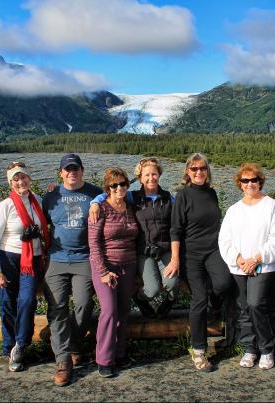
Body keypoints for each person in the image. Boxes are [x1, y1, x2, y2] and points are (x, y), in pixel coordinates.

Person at [89, 157, 179, 318]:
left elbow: (177, 224)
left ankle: (169, 302)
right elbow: (112, 192)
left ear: (159, 175)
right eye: (146, 175)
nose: (151, 178)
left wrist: (175, 257)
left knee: (172, 283)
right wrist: (95, 202)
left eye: (154, 174)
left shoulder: (169, 198)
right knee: (151, 289)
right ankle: (140, 298)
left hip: (165, 249)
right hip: (144, 250)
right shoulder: (133, 197)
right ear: (140, 178)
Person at [42, 153, 103, 386]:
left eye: (75, 168)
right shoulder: (50, 195)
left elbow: (119, 196)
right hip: (56, 259)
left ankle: (74, 343)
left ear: (82, 170)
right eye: (67, 169)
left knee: (84, 304)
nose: (71, 172)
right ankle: (63, 360)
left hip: (84, 258)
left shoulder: (96, 193)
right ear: (60, 173)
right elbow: (38, 219)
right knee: (57, 308)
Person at [218, 163, 275, 370]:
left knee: (256, 304)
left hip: (263, 266)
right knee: (243, 308)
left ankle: (267, 349)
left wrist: (257, 258)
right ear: (240, 183)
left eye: (254, 180)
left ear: (260, 182)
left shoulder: (271, 205)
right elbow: (224, 240)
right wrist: (238, 260)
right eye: (245, 180)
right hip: (239, 267)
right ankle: (250, 348)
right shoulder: (233, 210)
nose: (250, 184)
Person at [170, 152, 233, 372]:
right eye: (194, 169)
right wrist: (176, 258)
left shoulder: (212, 193)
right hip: (192, 255)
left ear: (207, 171)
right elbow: (175, 230)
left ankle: (213, 311)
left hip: (214, 250)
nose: (199, 172)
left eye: (202, 168)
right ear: (187, 172)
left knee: (224, 283)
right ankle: (198, 351)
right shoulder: (182, 196)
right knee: (198, 298)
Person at [0, 161, 50, 372]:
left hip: (31, 260)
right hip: (9, 259)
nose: (20, 181)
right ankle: (9, 348)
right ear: (10, 183)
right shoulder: (5, 206)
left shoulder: (39, 202)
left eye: (23, 177)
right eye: (16, 179)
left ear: (29, 178)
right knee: (7, 304)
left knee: (26, 300)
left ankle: (21, 345)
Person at [88, 167, 139, 378]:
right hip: (106, 266)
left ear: (127, 185)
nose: (119, 188)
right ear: (107, 188)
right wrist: (103, 271)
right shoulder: (99, 208)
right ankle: (104, 359)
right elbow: (93, 243)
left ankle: (120, 353)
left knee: (124, 310)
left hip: (129, 264)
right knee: (109, 311)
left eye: (122, 184)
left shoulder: (131, 207)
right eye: (114, 185)